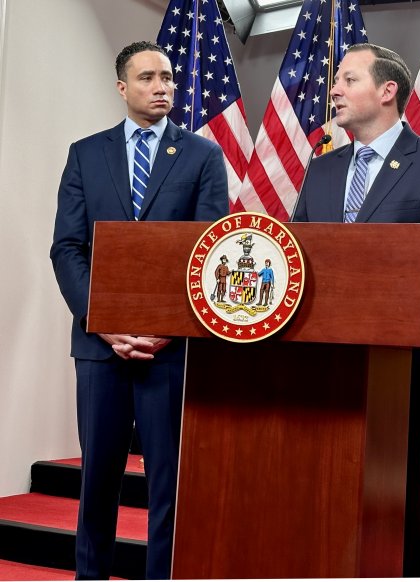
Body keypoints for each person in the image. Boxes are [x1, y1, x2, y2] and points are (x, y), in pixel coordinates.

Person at [50, 41, 229, 580]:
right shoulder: (86, 153)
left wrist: (164, 328)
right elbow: (68, 249)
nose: (162, 87)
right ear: (122, 87)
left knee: (167, 486)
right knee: (97, 481)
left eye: (169, 77)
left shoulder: (201, 155)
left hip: (169, 351)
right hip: (100, 349)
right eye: (148, 78)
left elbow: (210, 252)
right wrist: (104, 323)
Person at [294, 43, 420, 577]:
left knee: (394, 504)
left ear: (387, 90)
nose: (334, 90)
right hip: (321, 363)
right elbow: (300, 258)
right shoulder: (321, 171)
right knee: (323, 496)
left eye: (348, 80)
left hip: (402, 367)